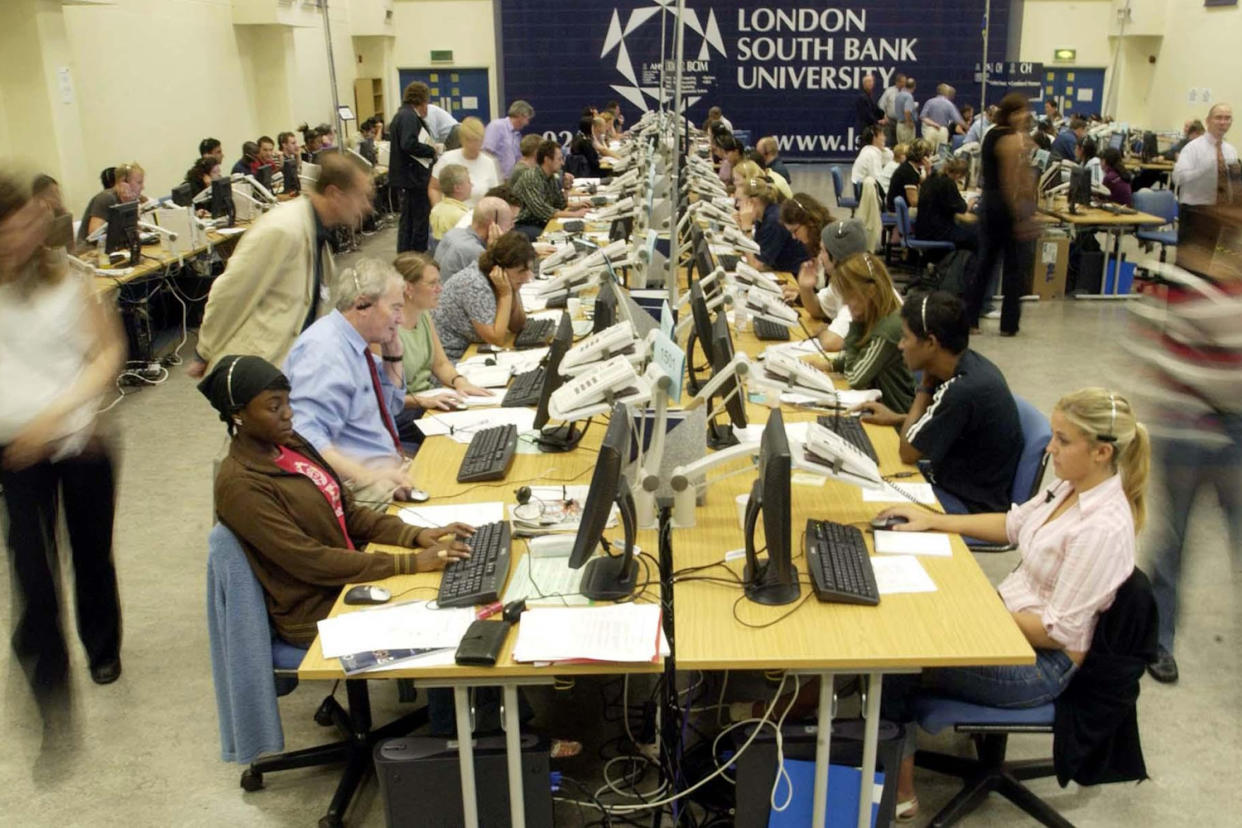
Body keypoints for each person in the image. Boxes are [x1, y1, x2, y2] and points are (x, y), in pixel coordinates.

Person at [877, 387, 1149, 821]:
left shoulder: (1102, 528)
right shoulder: (1070, 486)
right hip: (1010, 623)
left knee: (896, 659)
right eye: (1054, 436)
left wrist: (967, 614)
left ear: (1101, 452)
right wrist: (933, 522)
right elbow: (1012, 523)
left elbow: (1055, 632)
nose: (1051, 448)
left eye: (1063, 440)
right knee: (908, 612)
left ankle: (901, 792)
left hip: (1038, 664)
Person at [202, 354, 472, 647]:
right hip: (318, 607)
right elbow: (308, 560)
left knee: (458, 591)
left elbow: (348, 512)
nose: (288, 414)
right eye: (274, 407)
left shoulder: (290, 444)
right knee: (448, 622)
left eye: (288, 403)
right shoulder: (241, 485)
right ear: (238, 415)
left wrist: (414, 534)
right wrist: (408, 563)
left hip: (345, 576)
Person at [0, 169, 127, 692]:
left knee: (89, 550)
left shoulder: (67, 280)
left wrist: (59, 415)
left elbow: (107, 354)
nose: (30, 233)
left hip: (78, 443)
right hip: (15, 450)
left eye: (35, 221)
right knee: (30, 559)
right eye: (17, 224)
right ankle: (43, 657)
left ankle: (102, 646)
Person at [188, 151, 375, 376]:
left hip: (288, 369)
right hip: (257, 375)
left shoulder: (318, 233)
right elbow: (230, 292)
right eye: (361, 197)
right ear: (334, 194)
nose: (367, 207)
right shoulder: (282, 229)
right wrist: (205, 351)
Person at [855, 291, 1022, 514]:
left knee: (868, 506)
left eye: (906, 337)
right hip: (958, 485)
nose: (900, 346)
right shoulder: (971, 364)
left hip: (969, 505)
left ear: (931, 343)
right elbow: (954, 424)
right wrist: (898, 418)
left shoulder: (961, 390)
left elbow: (908, 452)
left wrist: (924, 387)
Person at [282, 257, 422, 504]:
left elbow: (390, 409)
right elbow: (305, 437)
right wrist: (370, 477)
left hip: (387, 471)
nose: (400, 319)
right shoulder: (324, 352)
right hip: (357, 489)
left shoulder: (355, 343)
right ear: (362, 305)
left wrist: (393, 355)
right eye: (395, 308)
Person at [391, 253, 491, 438]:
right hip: (404, 413)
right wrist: (424, 401)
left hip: (427, 400)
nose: (440, 288)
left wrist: (460, 382)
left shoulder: (423, 314)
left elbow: (441, 364)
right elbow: (384, 398)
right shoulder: (386, 331)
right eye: (432, 284)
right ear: (408, 288)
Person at [965, 92, 1039, 336]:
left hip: (990, 205)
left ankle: (971, 318)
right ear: (1011, 113)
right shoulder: (1010, 140)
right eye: (1020, 111)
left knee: (986, 264)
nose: (1025, 116)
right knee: (1014, 268)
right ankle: (1009, 324)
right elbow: (1011, 179)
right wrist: (1020, 214)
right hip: (1003, 208)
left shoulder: (992, 135)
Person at [828, 253, 915, 413]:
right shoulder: (875, 317)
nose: (846, 302)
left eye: (849, 295)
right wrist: (826, 364)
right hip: (876, 407)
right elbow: (851, 359)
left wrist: (855, 324)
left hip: (894, 416)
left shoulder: (887, 331)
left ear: (871, 291)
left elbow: (855, 378)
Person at [432, 231, 535, 360]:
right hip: (453, 359)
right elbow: (497, 339)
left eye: (529, 270)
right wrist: (506, 294)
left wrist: (513, 289)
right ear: (499, 269)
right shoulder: (474, 284)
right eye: (522, 271)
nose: (528, 277)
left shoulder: (502, 282)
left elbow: (518, 326)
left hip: (472, 350)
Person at [389, 81, 439, 253]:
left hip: (407, 179)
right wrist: (431, 150)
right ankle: (416, 256)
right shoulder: (409, 116)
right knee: (417, 221)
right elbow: (408, 144)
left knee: (408, 222)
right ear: (422, 100)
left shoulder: (401, 115)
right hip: (413, 179)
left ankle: (407, 256)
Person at [511, 140, 587, 240]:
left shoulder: (551, 176)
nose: (563, 163)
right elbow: (542, 210)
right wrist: (575, 215)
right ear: (547, 160)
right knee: (554, 237)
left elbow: (559, 203)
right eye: (559, 159)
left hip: (539, 221)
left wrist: (577, 205)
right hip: (523, 224)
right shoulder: (531, 178)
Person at [735, 177, 807, 273]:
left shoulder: (774, 220)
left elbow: (756, 266)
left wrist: (746, 229)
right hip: (780, 269)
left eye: (739, 200)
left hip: (793, 276)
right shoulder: (762, 216)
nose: (737, 205)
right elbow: (756, 252)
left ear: (752, 202)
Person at [1173, 103, 1237, 208]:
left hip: (1221, 210)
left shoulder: (1231, 150)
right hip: (1195, 210)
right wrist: (1203, 170)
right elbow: (1177, 178)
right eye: (1218, 117)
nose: (1223, 122)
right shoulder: (1193, 147)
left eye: (1227, 118)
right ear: (1208, 121)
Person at [435, 195, 514, 280]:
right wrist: (494, 250)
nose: (511, 227)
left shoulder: (453, 232)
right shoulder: (475, 251)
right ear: (493, 225)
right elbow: (499, 282)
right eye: (508, 224)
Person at [430, 116, 501, 208]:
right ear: (462, 140)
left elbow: (494, 197)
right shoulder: (447, 159)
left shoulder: (489, 163)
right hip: (450, 217)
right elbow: (434, 188)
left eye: (477, 141)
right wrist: (438, 211)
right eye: (469, 141)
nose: (474, 145)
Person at [75, 161, 144, 249]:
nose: (143, 187)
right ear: (124, 182)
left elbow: (136, 230)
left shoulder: (129, 199)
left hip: (117, 250)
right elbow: (95, 235)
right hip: (90, 252)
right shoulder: (105, 198)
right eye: (139, 182)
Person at [914, 158, 976, 251]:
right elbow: (961, 208)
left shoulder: (932, 177)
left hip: (923, 229)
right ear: (959, 174)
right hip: (936, 232)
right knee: (976, 236)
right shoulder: (948, 183)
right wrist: (970, 204)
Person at [778, 192, 833, 297]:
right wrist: (801, 293)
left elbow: (831, 297)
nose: (794, 237)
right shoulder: (813, 242)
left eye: (795, 231)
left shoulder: (830, 245)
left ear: (810, 222)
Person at [483, 100, 534, 179]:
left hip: (510, 180)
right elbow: (486, 152)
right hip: (496, 178)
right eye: (527, 119)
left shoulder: (517, 135)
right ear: (520, 115)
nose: (527, 123)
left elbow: (517, 158)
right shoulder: (497, 126)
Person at [428, 163, 471, 242]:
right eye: (468, 182)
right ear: (457, 188)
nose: (472, 185)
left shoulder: (436, 209)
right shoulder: (462, 216)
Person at [886, 138, 929, 211]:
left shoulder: (911, 167)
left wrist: (928, 171)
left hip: (902, 208)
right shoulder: (908, 172)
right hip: (898, 212)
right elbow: (914, 202)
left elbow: (922, 182)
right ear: (923, 157)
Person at [920, 84, 965, 152]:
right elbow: (958, 120)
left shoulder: (930, 102)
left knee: (927, 152)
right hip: (943, 130)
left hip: (930, 130)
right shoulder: (949, 104)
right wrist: (968, 128)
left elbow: (922, 116)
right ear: (946, 92)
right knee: (941, 154)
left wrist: (934, 124)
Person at [850, 126, 892, 195]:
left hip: (865, 189)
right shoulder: (871, 154)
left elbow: (890, 156)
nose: (885, 138)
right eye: (882, 135)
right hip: (864, 193)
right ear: (875, 138)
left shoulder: (870, 150)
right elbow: (878, 181)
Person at [854, 73, 885, 144]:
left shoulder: (870, 97)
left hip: (872, 128)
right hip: (866, 130)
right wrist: (878, 122)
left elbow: (876, 110)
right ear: (864, 84)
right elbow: (867, 115)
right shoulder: (862, 97)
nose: (871, 84)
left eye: (872, 82)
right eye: (869, 82)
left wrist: (884, 116)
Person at [878, 72, 907, 147]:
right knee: (887, 142)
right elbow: (881, 104)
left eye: (905, 82)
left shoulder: (906, 93)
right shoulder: (889, 91)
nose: (904, 84)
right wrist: (884, 116)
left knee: (900, 144)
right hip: (889, 121)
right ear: (897, 82)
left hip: (902, 122)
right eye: (903, 82)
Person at [894, 77, 918, 146]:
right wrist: (909, 123)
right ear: (914, 86)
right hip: (906, 126)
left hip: (899, 125)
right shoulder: (908, 96)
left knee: (901, 148)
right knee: (908, 148)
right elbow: (907, 111)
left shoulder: (899, 94)